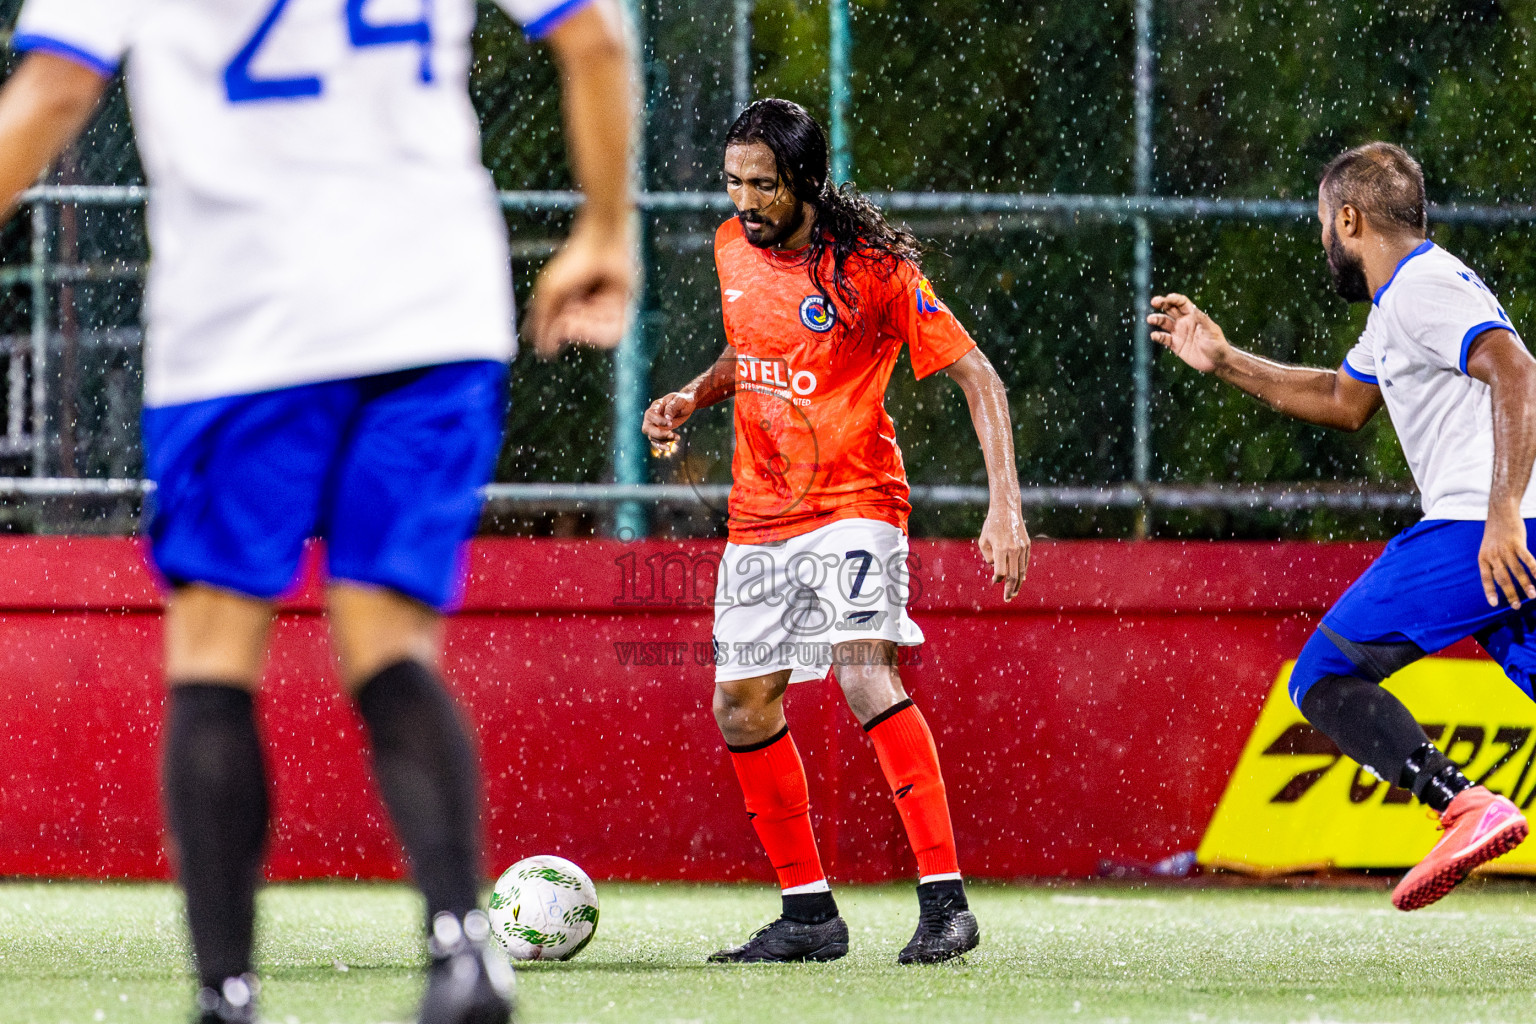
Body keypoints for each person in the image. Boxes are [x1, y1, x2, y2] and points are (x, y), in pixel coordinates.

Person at [0, 0, 635, 1020]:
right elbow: (595, 37)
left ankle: (227, 990)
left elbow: (55, 89)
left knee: (215, 656)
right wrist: (605, 227)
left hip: (244, 325)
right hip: (433, 312)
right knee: (389, 643)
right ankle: (460, 948)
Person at [642, 98, 1030, 965]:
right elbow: (750, 349)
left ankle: (945, 904)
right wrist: (691, 398)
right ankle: (809, 915)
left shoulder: (876, 272)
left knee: (862, 670)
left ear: (805, 182)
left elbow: (980, 379)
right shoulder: (728, 245)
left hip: (856, 499)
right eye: (735, 182)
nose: (745, 200)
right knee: (740, 707)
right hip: (759, 514)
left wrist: (1003, 504)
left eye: (763, 185)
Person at [1149, 141, 1533, 912]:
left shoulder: (1421, 287)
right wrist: (1222, 359)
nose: (1322, 240)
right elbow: (1341, 398)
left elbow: (1517, 368)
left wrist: (1500, 512)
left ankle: (1464, 805)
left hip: (1479, 528)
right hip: (1508, 527)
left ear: (1349, 220)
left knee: (1323, 677)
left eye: (1324, 224)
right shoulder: (1406, 302)